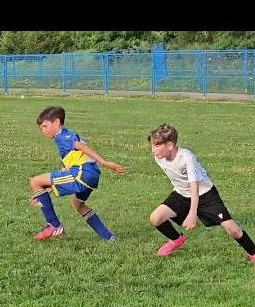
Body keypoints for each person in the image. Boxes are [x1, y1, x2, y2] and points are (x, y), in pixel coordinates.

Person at [148, 124, 255, 262]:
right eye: (152, 145)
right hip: (181, 194)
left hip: (205, 195)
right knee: (156, 218)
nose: (153, 150)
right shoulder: (159, 158)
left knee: (232, 229)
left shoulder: (187, 157)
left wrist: (192, 214)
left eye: (156, 146)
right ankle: (176, 240)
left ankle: (253, 253)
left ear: (169, 145)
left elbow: (194, 186)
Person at [29, 106, 126, 241]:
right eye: (41, 128)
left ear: (57, 122)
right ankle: (108, 237)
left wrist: (105, 162)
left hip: (82, 173)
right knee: (77, 204)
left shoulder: (62, 136)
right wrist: (44, 192)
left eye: (45, 126)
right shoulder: (66, 137)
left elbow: (81, 146)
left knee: (34, 181)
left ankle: (54, 225)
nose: (43, 131)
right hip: (91, 177)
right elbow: (65, 172)